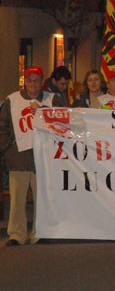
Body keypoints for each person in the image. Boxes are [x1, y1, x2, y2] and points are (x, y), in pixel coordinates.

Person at [0, 66, 66, 246]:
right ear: (24, 81)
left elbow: (62, 121)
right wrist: (7, 149)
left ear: (42, 81)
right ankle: (16, 234)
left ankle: (39, 232)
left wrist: (43, 109)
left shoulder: (53, 99)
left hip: (44, 159)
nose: (32, 84)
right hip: (19, 158)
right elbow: (3, 125)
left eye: (36, 80)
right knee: (17, 199)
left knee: (42, 199)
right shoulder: (12, 100)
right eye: (29, 80)